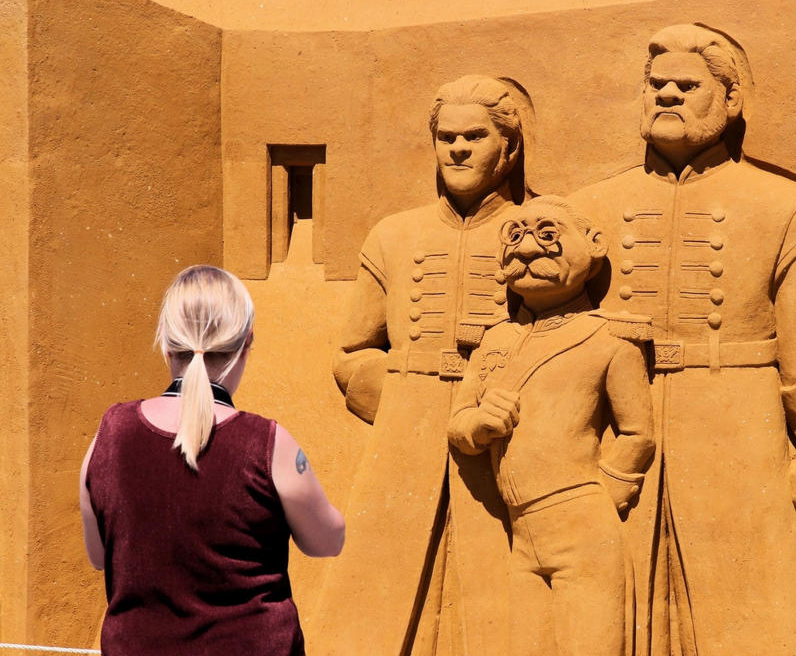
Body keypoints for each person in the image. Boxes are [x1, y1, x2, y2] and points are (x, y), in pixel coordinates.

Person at [568, 23, 796, 655]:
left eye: (687, 86)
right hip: (618, 418)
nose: (667, 95)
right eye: (655, 84)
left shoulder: (787, 206)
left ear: (730, 100)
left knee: (756, 599)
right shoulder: (589, 205)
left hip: (736, 414)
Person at [316, 74, 531, 655]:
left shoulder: (540, 227)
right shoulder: (395, 235)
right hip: (404, 432)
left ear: (508, 148)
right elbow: (353, 352)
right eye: (446, 137)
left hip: (504, 434)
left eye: (475, 136)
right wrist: (406, 404)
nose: (458, 148)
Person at [79, 264, 345, 656]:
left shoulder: (110, 434)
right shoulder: (268, 443)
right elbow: (328, 541)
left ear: (167, 344)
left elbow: (100, 556)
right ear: (246, 342)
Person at [448, 195, 655, 656]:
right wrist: (479, 426)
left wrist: (602, 498)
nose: (526, 250)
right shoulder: (495, 340)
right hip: (522, 533)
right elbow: (458, 422)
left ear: (594, 245)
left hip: (583, 526)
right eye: (514, 236)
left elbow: (637, 433)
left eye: (547, 234)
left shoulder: (607, 340)